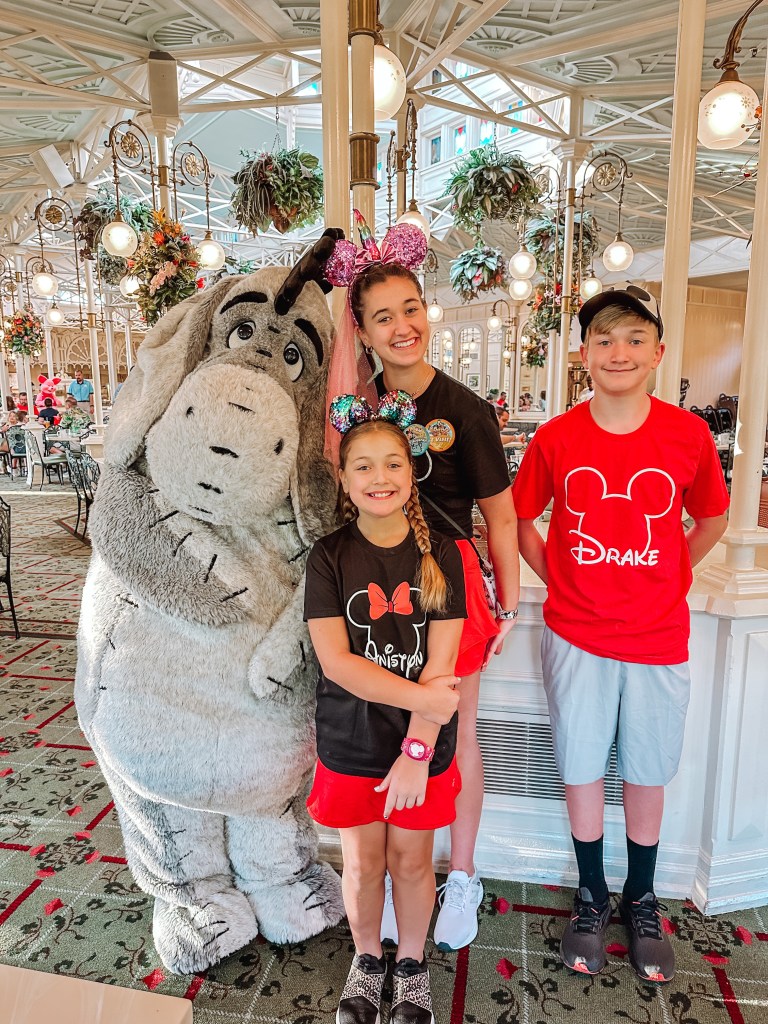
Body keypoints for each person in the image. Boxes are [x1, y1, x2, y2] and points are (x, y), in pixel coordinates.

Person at [513, 286, 729, 984]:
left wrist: (671, 573)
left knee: (647, 770)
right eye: (604, 339)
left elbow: (713, 519)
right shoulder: (556, 438)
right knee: (580, 766)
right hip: (575, 636)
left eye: (635, 339)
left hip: (658, 637)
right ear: (583, 354)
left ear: (658, 353)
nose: (619, 352)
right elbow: (519, 519)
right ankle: (591, 893)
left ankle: (640, 896)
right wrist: (562, 578)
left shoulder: (688, 435)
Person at [326, 215, 520, 951]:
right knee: (381, 720)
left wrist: (509, 600)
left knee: (454, 729)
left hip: (447, 581)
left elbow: (499, 517)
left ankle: (460, 873)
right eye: (383, 316)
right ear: (363, 330)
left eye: (411, 308)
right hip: (371, 582)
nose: (402, 326)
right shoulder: (355, 405)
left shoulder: (465, 409)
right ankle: (384, 874)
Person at [305, 395, 465, 1024]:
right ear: (345, 480)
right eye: (364, 466)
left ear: (412, 471)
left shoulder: (443, 554)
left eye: (393, 463)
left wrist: (418, 748)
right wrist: (427, 699)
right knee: (364, 862)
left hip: (421, 748)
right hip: (350, 741)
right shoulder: (328, 556)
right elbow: (337, 663)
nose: (380, 477)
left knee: (412, 861)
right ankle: (369, 960)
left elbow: (442, 666)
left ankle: (412, 965)